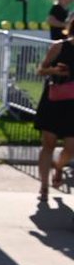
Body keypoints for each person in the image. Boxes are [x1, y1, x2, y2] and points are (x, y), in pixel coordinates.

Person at [34, 22, 74, 198]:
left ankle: (58, 167)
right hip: (54, 99)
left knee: (71, 148)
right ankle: (44, 187)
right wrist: (55, 71)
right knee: (48, 144)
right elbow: (41, 70)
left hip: (72, 105)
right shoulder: (59, 46)